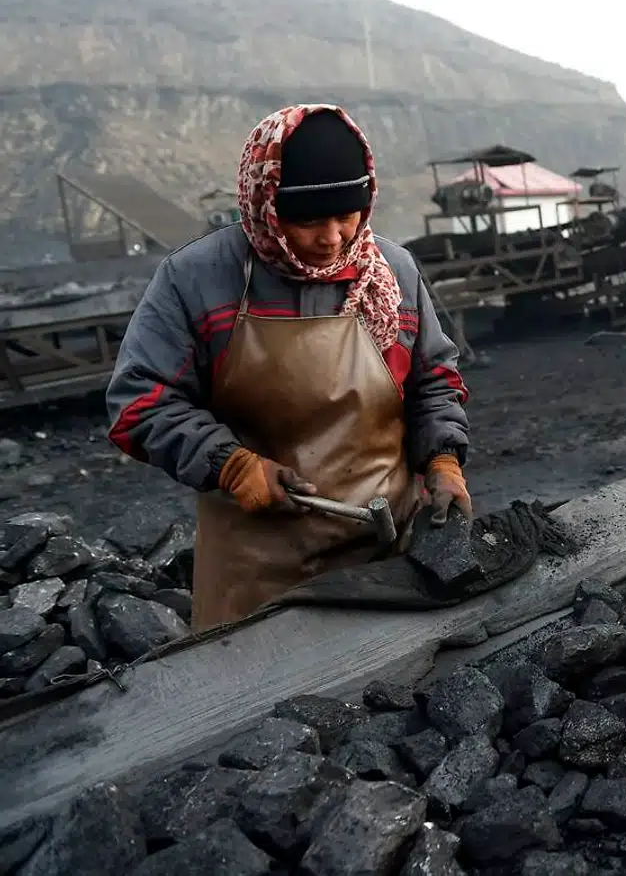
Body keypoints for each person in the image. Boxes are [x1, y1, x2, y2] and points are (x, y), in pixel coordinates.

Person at [107, 105, 473, 630]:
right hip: (258, 573)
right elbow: (138, 403)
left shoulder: (393, 273)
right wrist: (229, 465)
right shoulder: (196, 280)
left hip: (387, 558)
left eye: (348, 216)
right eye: (307, 220)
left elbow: (433, 379)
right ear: (265, 204)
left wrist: (442, 459)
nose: (333, 239)